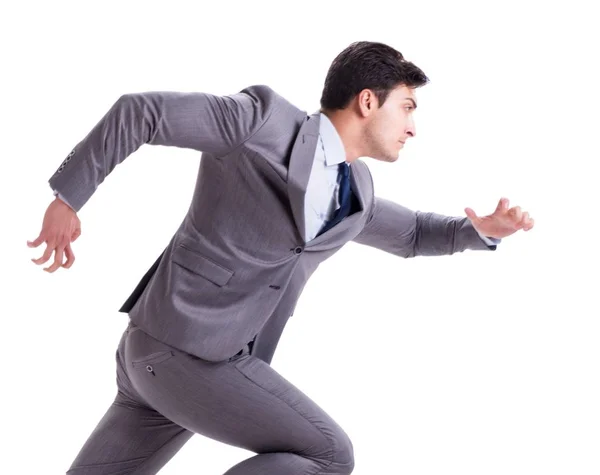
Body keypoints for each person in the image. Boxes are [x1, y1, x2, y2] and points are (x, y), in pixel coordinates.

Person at [27, 41, 534, 474]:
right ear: (366, 101)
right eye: (406, 107)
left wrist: (480, 231)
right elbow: (143, 112)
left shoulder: (354, 190)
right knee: (329, 454)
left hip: (175, 361)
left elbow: (415, 232)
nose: (413, 126)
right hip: (184, 348)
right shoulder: (260, 120)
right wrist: (68, 198)